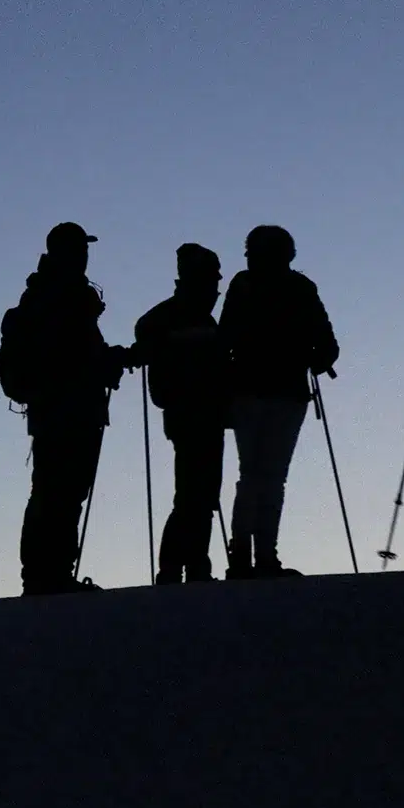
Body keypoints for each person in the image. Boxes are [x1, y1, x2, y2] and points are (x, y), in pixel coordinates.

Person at [0, 222, 136, 595]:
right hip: (65, 410)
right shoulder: (59, 298)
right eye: (80, 249)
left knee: (60, 492)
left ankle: (50, 574)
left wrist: (106, 362)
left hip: (65, 410)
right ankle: (47, 576)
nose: (85, 256)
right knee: (55, 492)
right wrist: (104, 364)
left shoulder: (53, 296)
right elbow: (70, 358)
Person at [217, 226, 338, 579]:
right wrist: (317, 358)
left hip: (253, 392)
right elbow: (328, 343)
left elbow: (223, 339)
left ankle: (245, 556)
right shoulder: (300, 288)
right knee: (270, 476)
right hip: (285, 392)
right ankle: (262, 556)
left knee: (253, 474)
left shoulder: (244, 285)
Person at [134, 244, 230, 585]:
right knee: (194, 493)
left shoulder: (192, 317)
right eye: (212, 279)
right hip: (191, 415)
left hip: (206, 415)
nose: (216, 288)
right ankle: (179, 567)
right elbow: (145, 334)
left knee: (201, 493)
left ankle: (192, 565)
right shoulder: (177, 315)